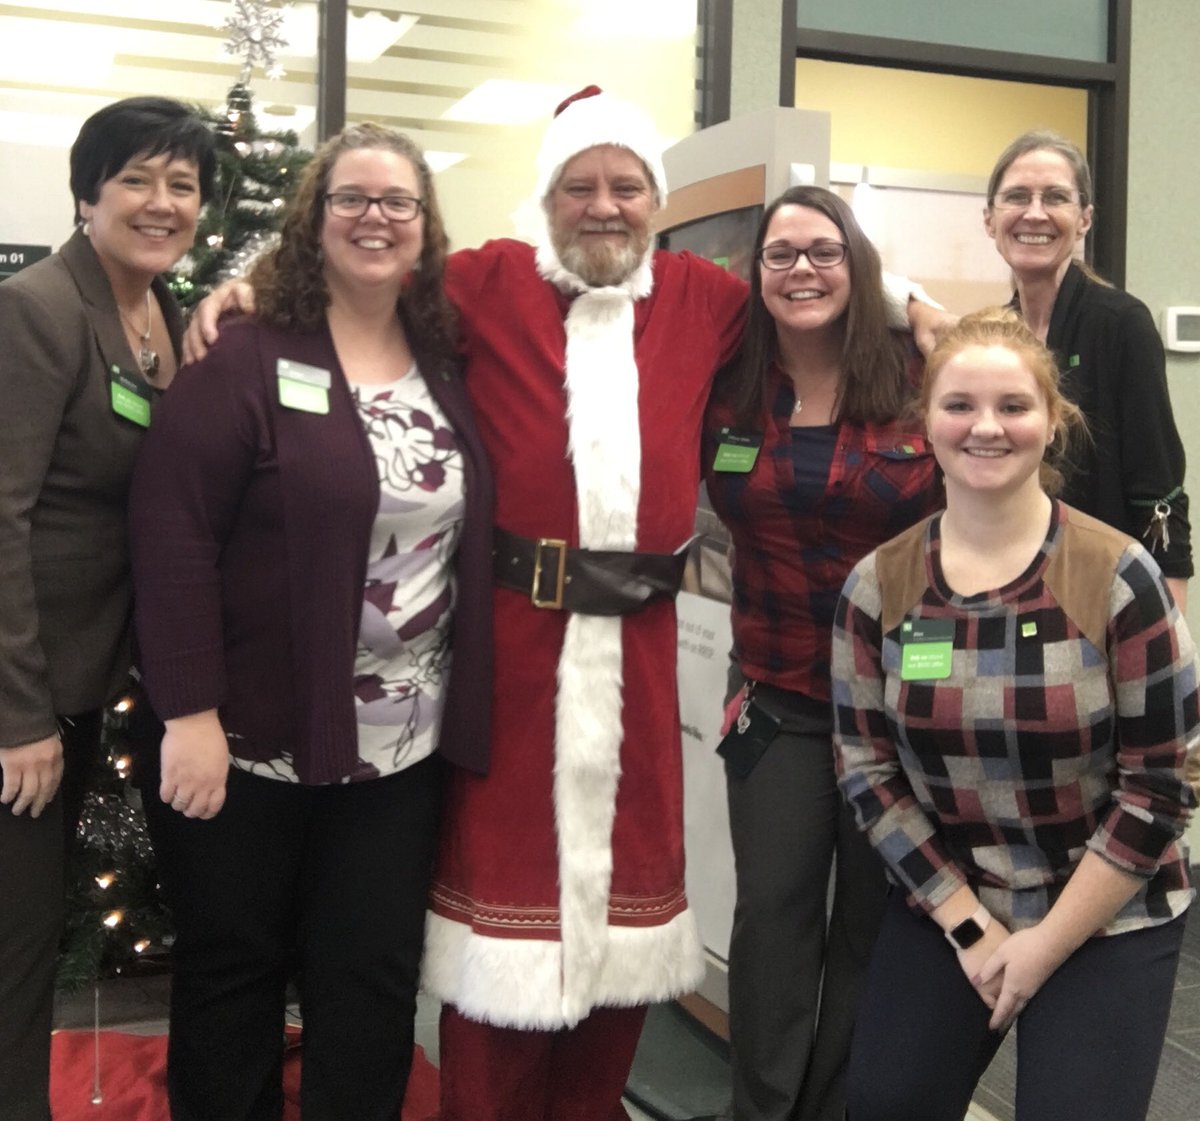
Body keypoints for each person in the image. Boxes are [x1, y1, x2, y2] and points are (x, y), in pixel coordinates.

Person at [184, 87, 950, 1121]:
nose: (603, 205)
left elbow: (810, 285)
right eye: (579, 185)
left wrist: (915, 304)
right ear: (546, 197)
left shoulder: (702, 298)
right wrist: (246, 286)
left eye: (626, 185)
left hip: (639, 658)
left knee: (625, 922)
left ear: (654, 201)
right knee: (497, 926)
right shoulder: (486, 280)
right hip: (508, 652)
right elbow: (364, 267)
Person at [127, 123, 493, 1121]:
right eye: (352, 198)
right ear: (314, 218)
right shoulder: (244, 354)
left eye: (397, 200)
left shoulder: (446, 356)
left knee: (371, 974)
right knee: (233, 967)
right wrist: (189, 711)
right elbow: (172, 533)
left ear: (424, 223)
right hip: (249, 739)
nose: (376, 217)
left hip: (400, 750)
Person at [831, 307, 1197, 1121]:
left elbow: (1162, 786)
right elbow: (867, 773)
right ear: (926, 420)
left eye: (1014, 405)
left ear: (1053, 421)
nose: (986, 427)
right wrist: (970, 927)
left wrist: (1042, 947)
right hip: (954, 894)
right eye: (960, 404)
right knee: (887, 1101)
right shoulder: (880, 584)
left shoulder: (1119, 576)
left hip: (1105, 905)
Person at [702, 185, 942, 1121]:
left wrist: (916, 304)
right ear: (757, 274)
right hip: (775, 695)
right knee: (772, 915)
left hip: (900, 705)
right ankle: (761, 1110)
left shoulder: (921, 374)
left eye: (824, 251)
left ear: (858, 267)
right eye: (781, 254)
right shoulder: (731, 384)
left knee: (874, 924)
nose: (802, 269)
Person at [0, 96, 214, 1121]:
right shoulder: (38, 309)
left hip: (91, 673)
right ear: (88, 193)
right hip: (25, 687)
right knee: (13, 947)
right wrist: (19, 718)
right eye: (136, 179)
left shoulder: (161, 311)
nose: (160, 202)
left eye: (182, 184)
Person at [984, 129, 1192, 608]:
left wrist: (1170, 622)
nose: (1035, 213)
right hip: (1011, 582)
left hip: (1104, 591)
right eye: (1017, 196)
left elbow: (1159, 484)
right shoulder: (996, 336)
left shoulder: (1121, 324)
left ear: (1084, 220)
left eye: (1056, 197)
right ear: (989, 220)